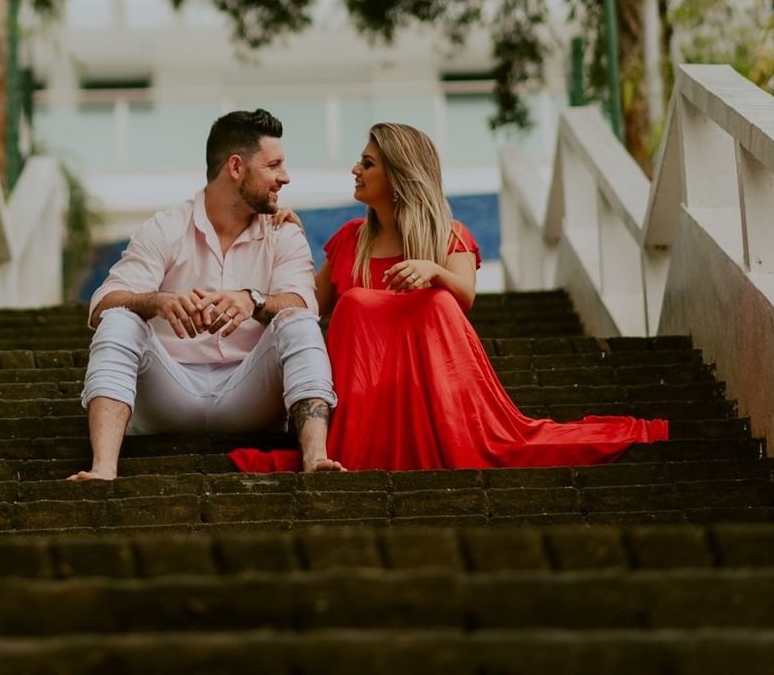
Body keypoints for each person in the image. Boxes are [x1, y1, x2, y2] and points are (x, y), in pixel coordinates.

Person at [232, 121, 667, 473]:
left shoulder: (449, 237)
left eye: (368, 163)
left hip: (437, 398)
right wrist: (284, 235)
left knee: (437, 301)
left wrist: (434, 271)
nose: (355, 170)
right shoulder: (349, 240)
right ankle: (341, 447)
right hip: (364, 405)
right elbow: (307, 308)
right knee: (355, 305)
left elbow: (464, 297)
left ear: (399, 178)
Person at [70, 109, 344, 480]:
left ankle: (316, 461)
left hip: (251, 394)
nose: (285, 177)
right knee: (119, 318)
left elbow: (304, 304)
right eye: (274, 165)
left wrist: (253, 301)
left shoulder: (284, 233)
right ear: (236, 167)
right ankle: (103, 468)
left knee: (297, 322)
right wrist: (158, 302)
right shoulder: (167, 226)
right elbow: (102, 304)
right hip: (170, 394)